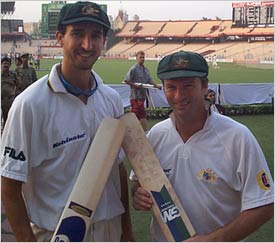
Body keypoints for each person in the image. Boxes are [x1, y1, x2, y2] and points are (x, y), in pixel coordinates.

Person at [1, 2, 134, 242]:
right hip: (58, 233)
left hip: (110, 231)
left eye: (95, 36)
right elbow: (9, 185)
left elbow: (117, 169)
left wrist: (127, 231)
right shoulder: (29, 105)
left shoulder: (111, 100)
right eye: (78, 34)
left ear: (104, 41)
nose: (87, 44)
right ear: (60, 38)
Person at [130, 50, 274, 242]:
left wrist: (213, 240)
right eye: (171, 87)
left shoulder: (237, 137)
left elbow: (264, 205)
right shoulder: (156, 135)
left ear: (204, 86)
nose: (179, 96)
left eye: (188, 86)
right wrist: (137, 194)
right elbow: (136, 182)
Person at [124, 50, 161, 131]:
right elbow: (126, 80)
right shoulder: (133, 69)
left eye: (143, 57)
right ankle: (133, 131)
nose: (142, 59)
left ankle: (143, 131)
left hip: (142, 96)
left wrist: (156, 86)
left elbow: (149, 80)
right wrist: (135, 86)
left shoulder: (145, 69)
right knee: (137, 114)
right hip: (135, 96)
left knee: (141, 114)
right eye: (140, 57)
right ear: (136, 58)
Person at [1, 56, 19, 126]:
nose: (6, 65)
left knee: (9, 120)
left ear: (10, 65)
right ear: (1, 64)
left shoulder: (13, 75)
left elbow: (18, 85)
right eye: (4, 63)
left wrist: (14, 94)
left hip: (9, 101)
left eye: (8, 64)